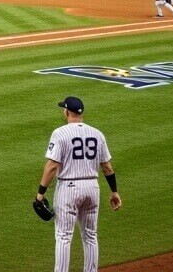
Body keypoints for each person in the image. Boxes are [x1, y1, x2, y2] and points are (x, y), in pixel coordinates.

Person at [37, 96, 121, 272]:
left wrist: (40, 194)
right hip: (92, 187)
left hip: (68, 188)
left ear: (67, 111)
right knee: (90, 235)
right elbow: (107, 167)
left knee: (63, 236)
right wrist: (114, 192)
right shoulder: (97, 134)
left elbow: (52, 166)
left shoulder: (60, 133)